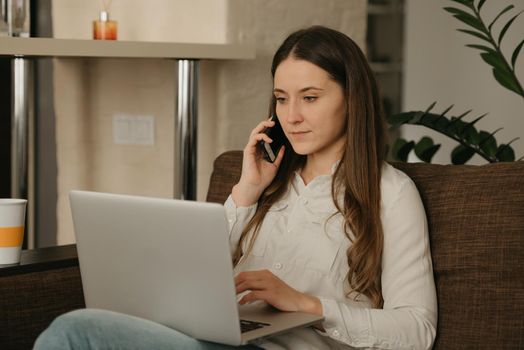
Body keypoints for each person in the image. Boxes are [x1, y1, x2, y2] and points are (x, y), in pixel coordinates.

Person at [34, 25, 437, 350]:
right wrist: (246, 192)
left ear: (352, 98)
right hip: (213, 339)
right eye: (281, 99)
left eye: (310, 98)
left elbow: (418, 331)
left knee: (77, 331)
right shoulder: (266, 183)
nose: (292, 116)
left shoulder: (391, 193)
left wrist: (306, 304)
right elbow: (195, 276)